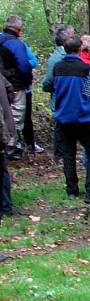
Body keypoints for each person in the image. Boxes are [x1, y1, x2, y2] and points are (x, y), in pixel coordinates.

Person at [50, 36, 90, 204]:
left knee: (68, 154)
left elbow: (51, 87)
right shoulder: (85, 68)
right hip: (84, 117)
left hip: (64, 118)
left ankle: (71, 189)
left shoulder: (58, 68)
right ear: (80, 49)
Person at [0, 15, 33, 157]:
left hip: (2, 82)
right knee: (16, 114)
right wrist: (26, 81)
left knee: (3, 113)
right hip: (14, 85)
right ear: (19, 29)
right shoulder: (15, 44)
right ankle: (12, 146)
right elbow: (24, 66)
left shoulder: (1, 39)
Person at [42, 25, 74, 159]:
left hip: (68, 98)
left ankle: (65, 152)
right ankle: (59, 155)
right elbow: (48, 82)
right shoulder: (56, 58)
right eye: (72, 36)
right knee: (61, 127)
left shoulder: (67, 55)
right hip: (61, 99)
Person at [0, 72, 14, 224]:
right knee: (2, 170)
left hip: (2, 129)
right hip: (4, 129)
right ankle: (6, 205)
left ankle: (5, 206)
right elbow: (10, 90)